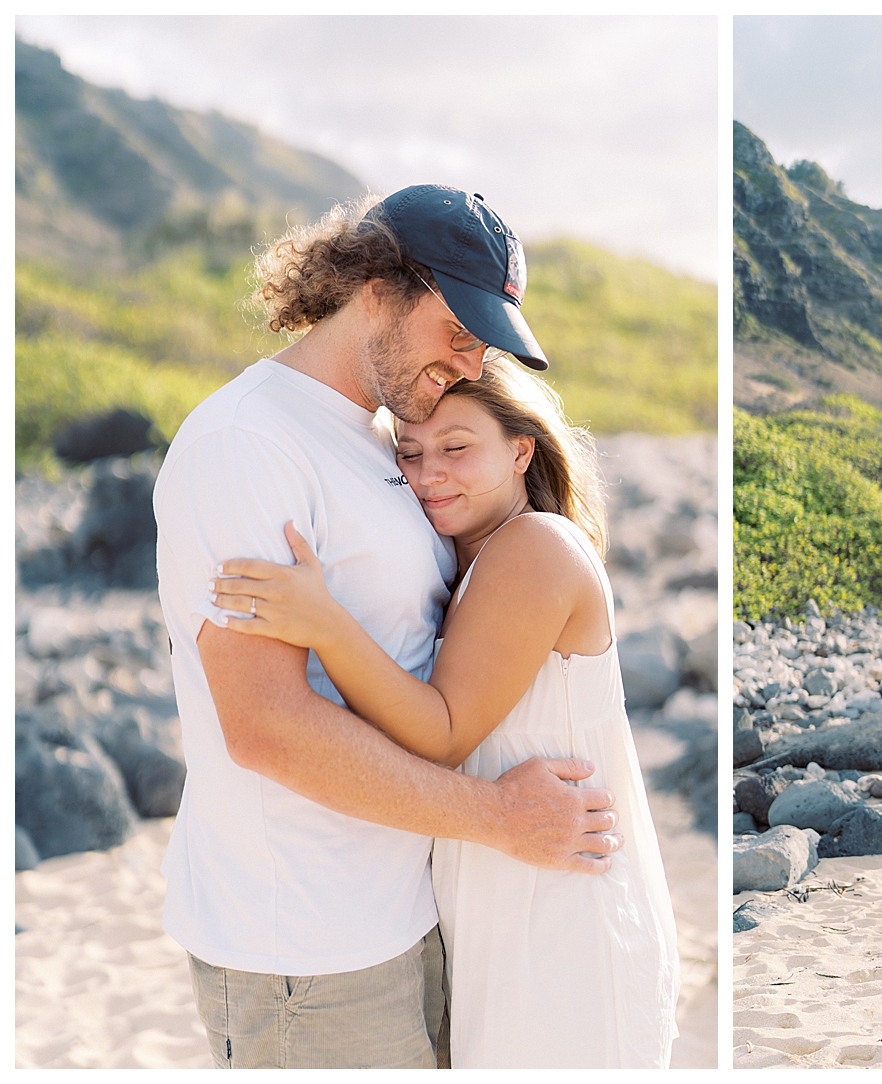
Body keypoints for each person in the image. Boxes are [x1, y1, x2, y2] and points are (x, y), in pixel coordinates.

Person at [152, 185, 621, 1069]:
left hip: (412, 917)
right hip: (303, 947)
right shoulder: (245, 444)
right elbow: (267, 729)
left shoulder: (382, 438)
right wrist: (497, 818)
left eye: (484, 340)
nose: (472, 359)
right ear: (379, 285)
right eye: (458, 329)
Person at [208, 361, 681, 1067]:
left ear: (521, 451)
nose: (431, 473)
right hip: (506, 903)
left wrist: (324, 624)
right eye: (411, 452)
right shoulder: (473, 563)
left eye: (457, 449)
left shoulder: (535, 548)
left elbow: (441, 732)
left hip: (561, 913)